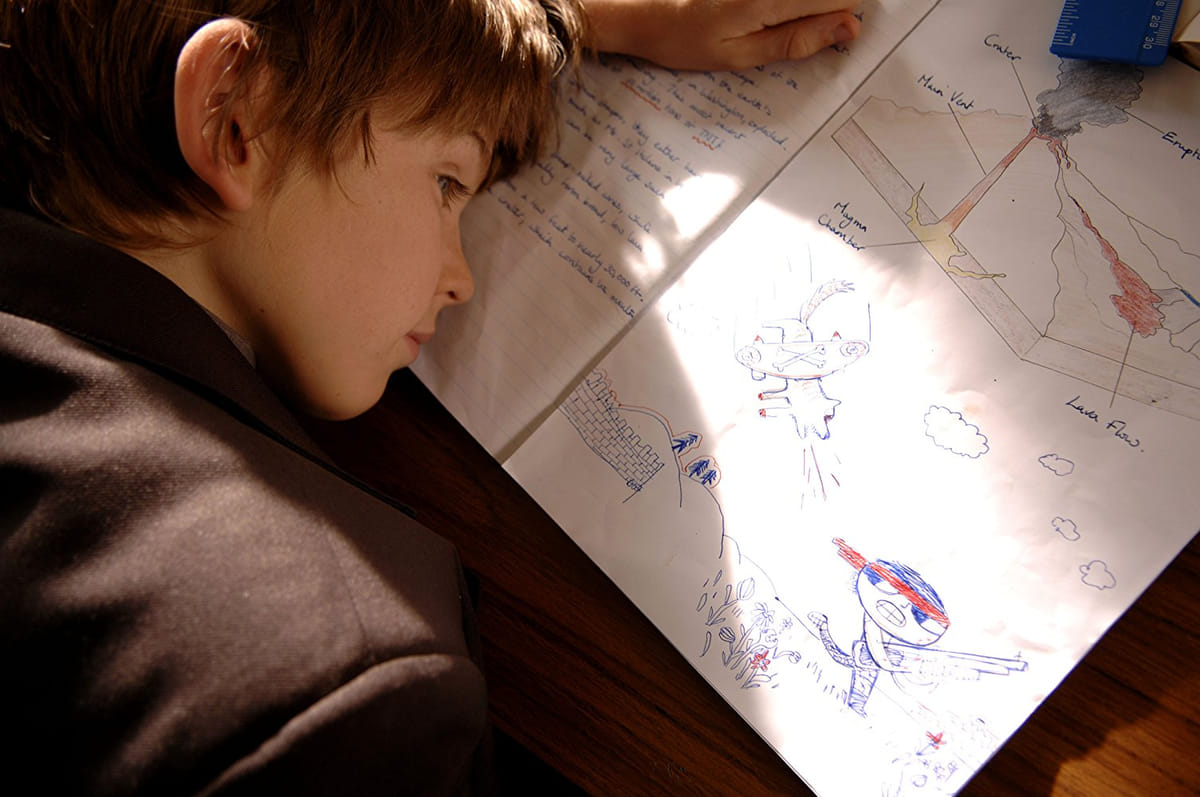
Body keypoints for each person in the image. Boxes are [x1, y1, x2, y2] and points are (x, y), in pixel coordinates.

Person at [0, 1, 860, 794]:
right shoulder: (344, 701)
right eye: (448, 183)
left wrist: (568, 17)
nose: (461, 278)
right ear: (237, 117)